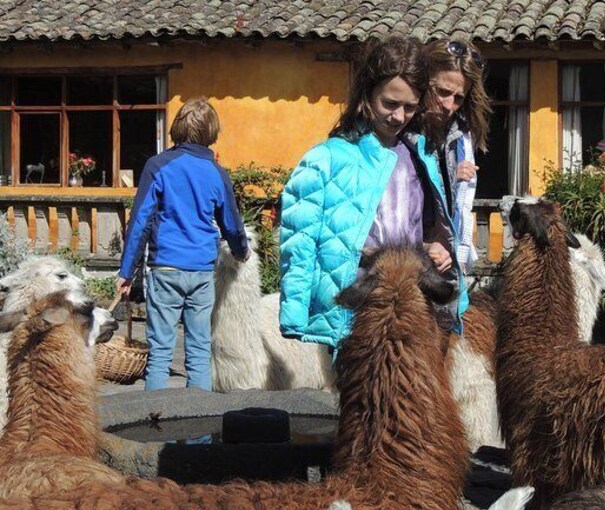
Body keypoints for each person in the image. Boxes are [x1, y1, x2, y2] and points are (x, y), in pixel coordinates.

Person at [279, 36, 468, 349]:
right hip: (353, 308)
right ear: (367, 93)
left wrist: (436, 247)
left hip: (411, 307)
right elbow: (299, 241)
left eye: (410, 107)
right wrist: (295, 313)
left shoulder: (420, 156)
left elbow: (420, 226)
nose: (398, 116)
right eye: (390, 104)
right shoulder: (325, 159)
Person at [116, 96, 249, 391]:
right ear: (211, 132)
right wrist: (242, 251)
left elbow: (140, 222)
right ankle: (198, 432)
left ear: (177, 127)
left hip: (164, 269)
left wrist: (126, 271)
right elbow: (231, 222)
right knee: (199, 352)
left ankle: (155, 424)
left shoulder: (158, 166)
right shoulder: (217, 172)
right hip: (202, 272)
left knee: (161, 352)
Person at [420, 39, 492, 274]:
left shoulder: (460, 136)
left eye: (458, 98)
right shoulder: (398, 132)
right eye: (441, 92)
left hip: (443, 262)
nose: (449, 105)